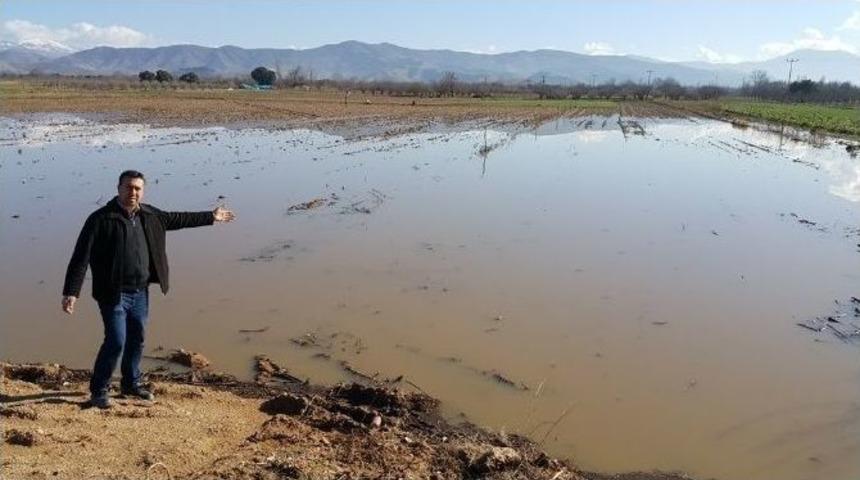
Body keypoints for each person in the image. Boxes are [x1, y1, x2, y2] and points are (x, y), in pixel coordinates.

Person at [62, 170, 235, 408]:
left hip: (140, 292)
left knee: (137, 339)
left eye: (137, 188)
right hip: (113, 293)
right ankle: (99, 390)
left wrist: (211, 216)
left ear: (143, 191)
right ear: (118, 188)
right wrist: (71, 292)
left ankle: (131, 384)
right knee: (116, 340)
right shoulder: (100, 219)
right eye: (128, 187)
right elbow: (81, 256)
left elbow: (178, 219)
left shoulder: (151, 216)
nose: (133, 192)